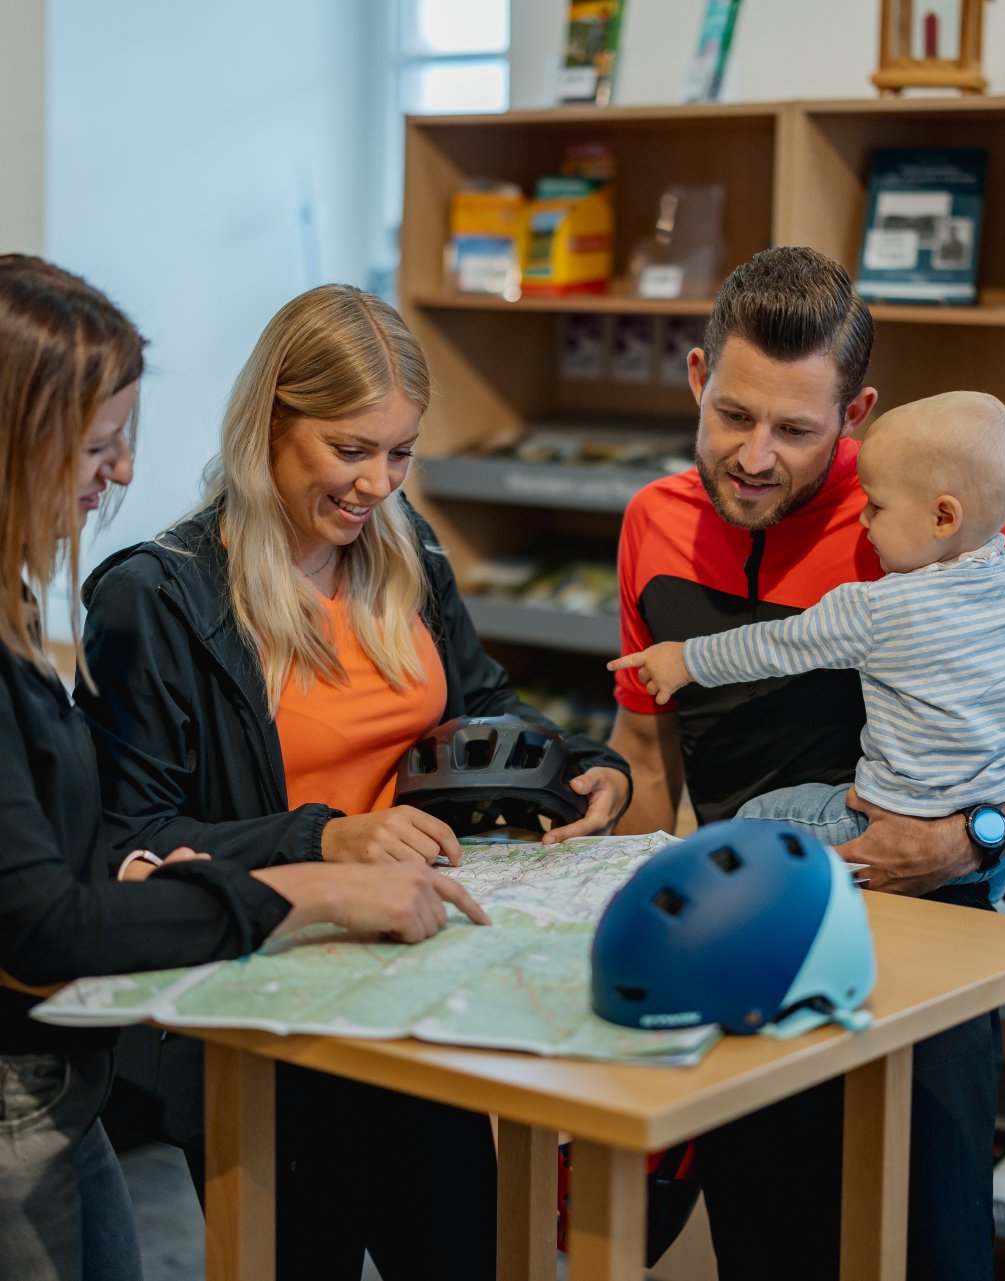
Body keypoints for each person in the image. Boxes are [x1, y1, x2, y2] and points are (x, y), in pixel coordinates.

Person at [0, 255, 487, 1281]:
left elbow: (72, 849)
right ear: (1, 439)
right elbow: (38, 921)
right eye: (97, 445)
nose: (121, 473)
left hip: (16, 1083)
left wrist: (143, 873)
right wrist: (307, 882)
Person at [608, 247, 1005, 1280]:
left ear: (856, 412)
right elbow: (647, 744)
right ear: (695, 376)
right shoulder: (654, 523)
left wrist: (971, 838)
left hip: (922, 963)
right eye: (733, 415)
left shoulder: (934, 524)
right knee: (767, 1252)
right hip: (752, 958)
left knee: (924, 1256)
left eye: (797, 429)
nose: (756, 457)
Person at [77, 283, 632, 1281]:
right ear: (271, 422)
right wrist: (323, 839)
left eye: (402, 452)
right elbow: (128, 840)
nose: (379, 481)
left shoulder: (404, 548)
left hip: (425, 989)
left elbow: (484, 701)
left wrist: (581, 766)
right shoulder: (157, 596)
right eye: (350, 449)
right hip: (273, 1013)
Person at [612, 390, 1005, 906]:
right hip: (999, 830)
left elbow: (773, 646)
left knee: (749, 826)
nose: (863, 523)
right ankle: (980, 903)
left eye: (877, 507)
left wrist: (683, 660)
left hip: (892, 814)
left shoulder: (880, 607)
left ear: (943, 519)